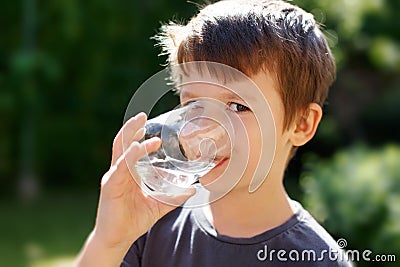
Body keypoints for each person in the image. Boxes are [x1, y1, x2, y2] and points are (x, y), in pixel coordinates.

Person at [76, 0, 352, 266]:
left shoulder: (318, 260)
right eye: (193, 104)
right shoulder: (150, 225)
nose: (205, 128)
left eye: (237, 106)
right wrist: (109, 241)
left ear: (301, 124)